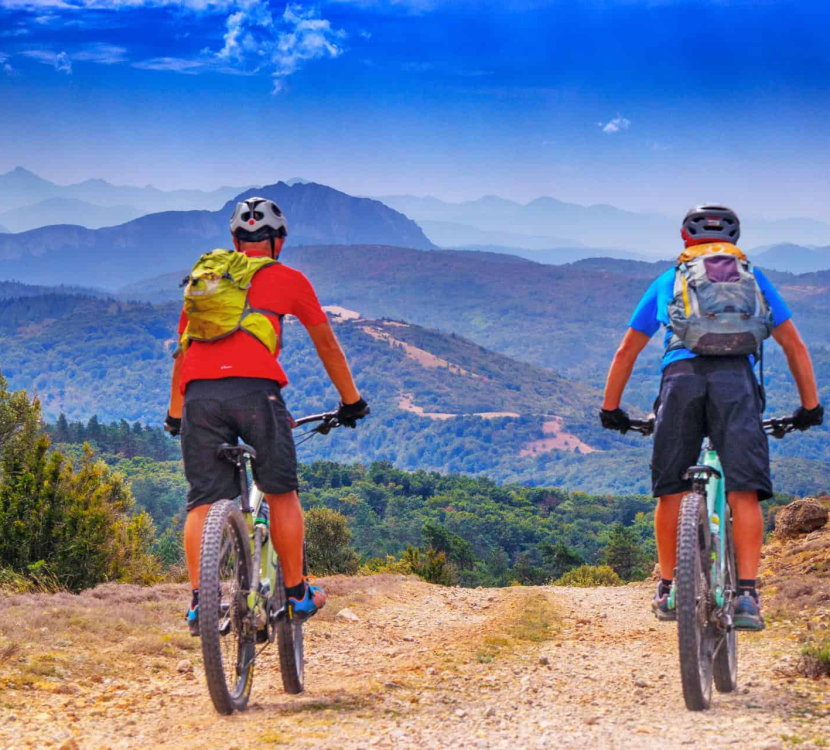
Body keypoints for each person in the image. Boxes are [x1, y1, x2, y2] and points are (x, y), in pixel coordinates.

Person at [599, 204, 823, 631]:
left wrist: (611, 409)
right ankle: (747, 597)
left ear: (686, 239)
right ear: (734, 241)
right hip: (735, 383)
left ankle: (668, 588)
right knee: (744, 491)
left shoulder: (670, 280)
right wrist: (809, 407)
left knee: (672, 491)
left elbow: (626, 351)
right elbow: (795, 346)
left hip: (680, 381)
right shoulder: (753, 280)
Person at [164, 197, 369, 636]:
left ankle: (202, 602)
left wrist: (175, 415)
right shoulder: (288, 279)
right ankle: (295, 594)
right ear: (277, 242)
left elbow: (183, 351)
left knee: (202, 500)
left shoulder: (206, 283)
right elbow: (327, 345)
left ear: (235, 241)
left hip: (198, 396)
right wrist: (351, 401)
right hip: (257, 394)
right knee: (281, 492)